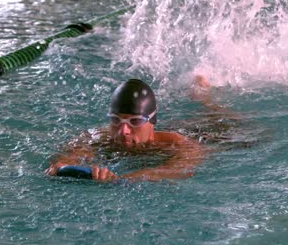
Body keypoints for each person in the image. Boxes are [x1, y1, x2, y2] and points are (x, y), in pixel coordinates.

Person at [45, 76, 228, 182]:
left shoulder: (180, 145)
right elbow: (64, 160)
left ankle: (204, 97)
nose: (123, 130)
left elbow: (178, 170)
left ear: (152, 121)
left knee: (215, 116)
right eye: (116, 120)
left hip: (213, 134)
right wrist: (62, 167)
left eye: (135, 121)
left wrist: (122, 180)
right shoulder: (98, 138)